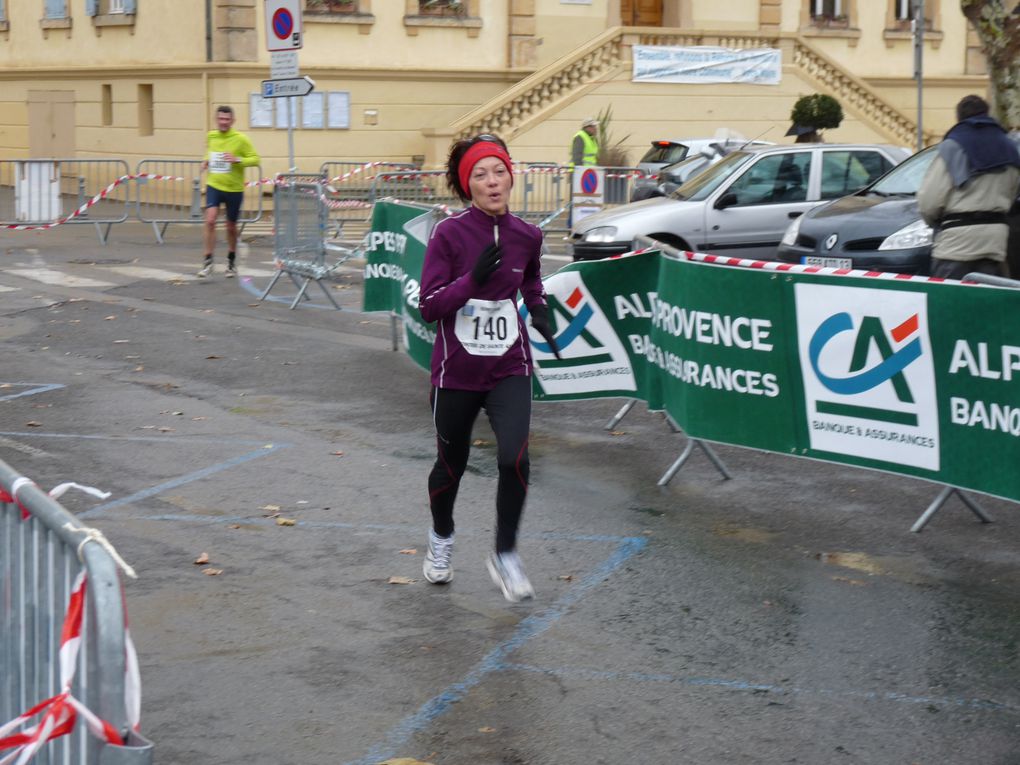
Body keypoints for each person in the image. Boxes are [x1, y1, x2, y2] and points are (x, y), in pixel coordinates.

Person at [417, 134, 560, 602]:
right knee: (450, 466)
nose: (492, 181)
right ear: (468, 186)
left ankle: (505, 553)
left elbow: (532, 277)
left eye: (499, 171)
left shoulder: (528, 234)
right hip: (456, 373)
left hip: (508, 366)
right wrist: (471, 281)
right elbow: (430, 306)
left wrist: (538, 309)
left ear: (511, 177)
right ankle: (441, 538)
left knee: (514, 457)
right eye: (480, 174)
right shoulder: (449, 234)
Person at [918, 94, 1020, 280]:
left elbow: (929, 200)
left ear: (959, 117)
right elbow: (1012, 193)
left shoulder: (953, 147)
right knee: (988, 303)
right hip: (995, 240)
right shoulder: (1009, 148)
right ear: (987, 114)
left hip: (956, 242)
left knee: (949, 302)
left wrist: (934, 222)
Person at [199, 105, 260, 278]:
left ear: (232, 121)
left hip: (234, 188)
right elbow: (210, 153)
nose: (223, 122)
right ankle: (207, 261)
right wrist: (205, 161)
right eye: (220, 119)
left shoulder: (241, 139)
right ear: (216, 119)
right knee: (210, 221)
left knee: (230, 226)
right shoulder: (211, 135)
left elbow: (256, 159)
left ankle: (231, 260)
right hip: (214, 185)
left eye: (226, 119)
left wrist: (237, 159)